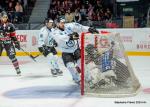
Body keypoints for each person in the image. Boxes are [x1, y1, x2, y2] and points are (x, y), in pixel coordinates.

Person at [52, 17, 98, 84]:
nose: (63, 24)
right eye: (61, 23)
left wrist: (89, 29)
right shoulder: (55, 32)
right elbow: (59, 38)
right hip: (66, 52)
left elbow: (80, 27)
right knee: (70, 66)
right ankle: (77, 79)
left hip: (76, 49)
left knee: (81, 64)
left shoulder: (70, 25)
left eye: (64, 22)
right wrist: (70, 36)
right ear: (57, 23)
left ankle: (89, 79)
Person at [0, 11, 21, 75]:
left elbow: (13, 36)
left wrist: (16, 43)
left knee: (12, 56)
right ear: (0, 17)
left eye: (6, 17)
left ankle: (17, 69)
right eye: (3, 17)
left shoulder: (10, 25)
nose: (5, 18)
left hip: (8, 43)